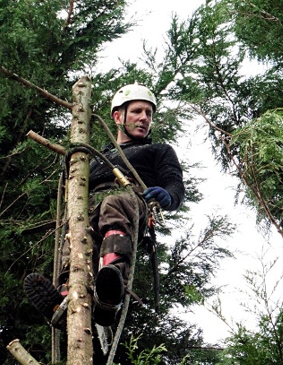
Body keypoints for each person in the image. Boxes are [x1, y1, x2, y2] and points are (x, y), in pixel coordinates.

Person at [25, 82, 185, 327]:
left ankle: (111, 282)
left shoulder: (157, 150)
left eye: (149, 113)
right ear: (118, 116)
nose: (144, 118)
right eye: (137, 111)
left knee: (113, 203)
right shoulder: (96, 158)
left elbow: (174, 183)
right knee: (77, 228)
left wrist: (168, 195)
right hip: (91, 206)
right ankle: (67, 296)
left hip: (129, 200)